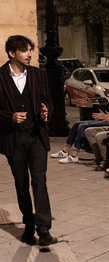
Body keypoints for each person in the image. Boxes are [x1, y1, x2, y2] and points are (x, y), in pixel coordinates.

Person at [0, 35, 57, 246]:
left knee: (39, 181)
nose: (29, 54)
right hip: (13, 139)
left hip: (36, 138)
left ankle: (44, 230)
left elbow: (49, 102)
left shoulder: (38, 75)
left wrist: (46, 111)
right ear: (12, 53)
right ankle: (29, 225)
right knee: (21, 184)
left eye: (30, 50)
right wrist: (9, 117)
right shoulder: (0, 76)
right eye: (24, 50)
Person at [50, 77, 109, 163]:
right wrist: (92, 102)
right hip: (106, 118)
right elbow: (108, 103)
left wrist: (93, 106)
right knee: (77, 123)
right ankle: (65, 150)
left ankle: (74, 154)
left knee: (82, 126)